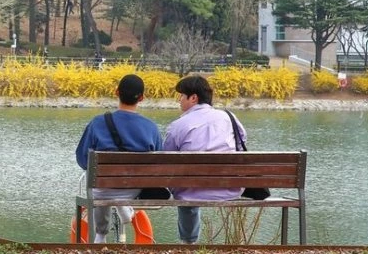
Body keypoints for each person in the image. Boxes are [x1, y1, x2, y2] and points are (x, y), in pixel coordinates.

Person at [75, 74, 163, 243]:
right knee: (112, 186)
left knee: (98, 186)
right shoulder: (150, 127)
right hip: (134, 190)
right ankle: (124, 206)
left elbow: (82, 158)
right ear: (142, 98)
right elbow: (158, 163)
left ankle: (100, 235)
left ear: (116, 92)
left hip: (101, 188)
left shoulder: (97, 123)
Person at [163, 75, 247, 244]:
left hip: (189, 191)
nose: (179, 100)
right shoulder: (229, 117)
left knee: (184, 186)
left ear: (193, 98)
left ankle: (188, 242)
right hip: (229, 188)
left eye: (181, 96)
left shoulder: (178, 125)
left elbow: (166, 157)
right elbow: (242, 143)